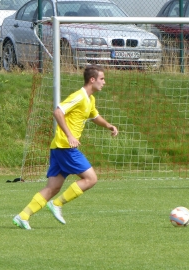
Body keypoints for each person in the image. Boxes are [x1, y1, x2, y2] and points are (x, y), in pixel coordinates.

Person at [13, 65, 119, 230]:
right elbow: (58, 112)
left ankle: (23, 216)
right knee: (91, 179)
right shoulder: (79, 96)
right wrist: (70, 135)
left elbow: (95, 116)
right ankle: (57, 204)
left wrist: (108, 125)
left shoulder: (90, 99)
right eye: (102, 79)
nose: (104, 82)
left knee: (53, 187)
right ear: (92, 79)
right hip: (65, 146)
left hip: (59, 147)